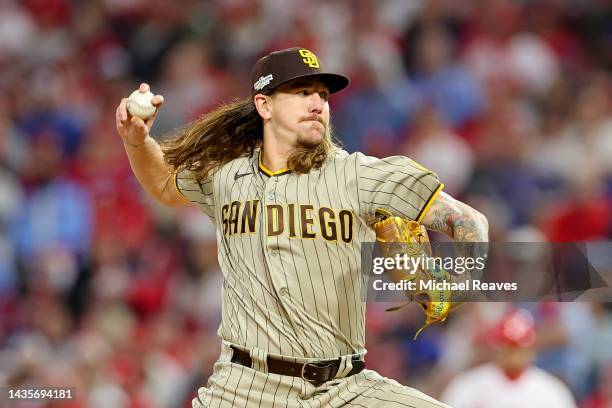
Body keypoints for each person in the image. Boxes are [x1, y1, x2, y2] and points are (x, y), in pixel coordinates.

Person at [115, 47, 489, 407]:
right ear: (264, 105)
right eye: (301, 92)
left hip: (346, 388)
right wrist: (137, 141)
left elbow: (467, 219)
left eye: (323, 95)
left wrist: (455, 283)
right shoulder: (227, 176)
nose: (317, 104)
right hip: (245, 389)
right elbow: (164, 183)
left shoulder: (361, 175)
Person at [440, 308, 577, 408]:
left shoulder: (551, 390)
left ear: (531, 349)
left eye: (518, 347)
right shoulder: (467, 385)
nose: (513, 355)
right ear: (496, 347)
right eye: (508, 347)